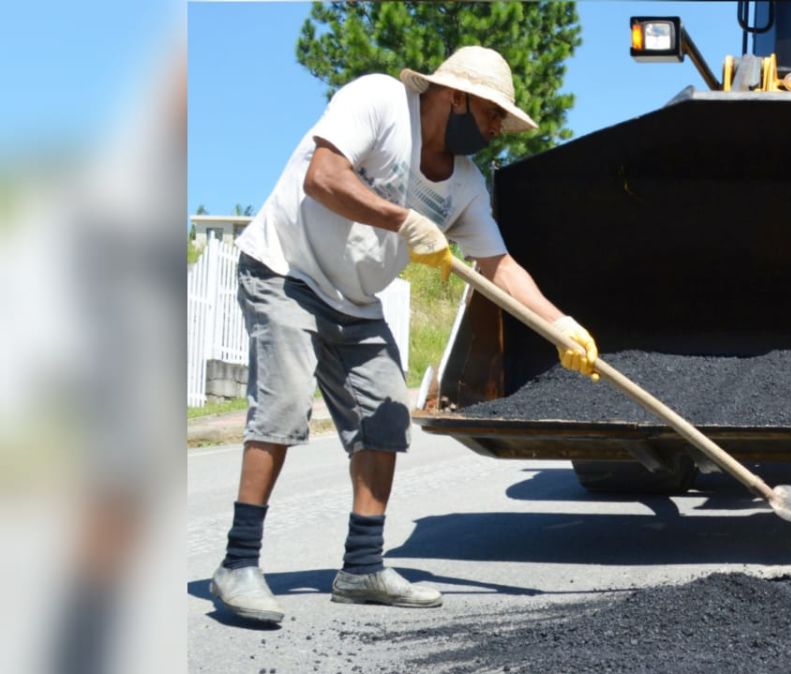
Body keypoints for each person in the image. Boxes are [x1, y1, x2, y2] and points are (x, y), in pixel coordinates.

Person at [209, 46, 599, 624]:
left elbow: (498, 266)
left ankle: (362, 567)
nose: (498, 129)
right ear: (456, 98)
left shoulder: (464, 185)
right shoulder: (380, 102)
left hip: (355, 300)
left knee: (386, 415)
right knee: (285, 405)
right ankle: (238, 564)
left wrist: (558, 323)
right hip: (285, 269)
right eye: (493, 115)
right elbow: (322, 177)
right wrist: (403, 219)